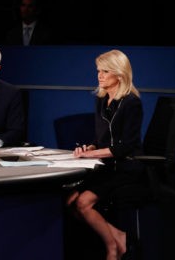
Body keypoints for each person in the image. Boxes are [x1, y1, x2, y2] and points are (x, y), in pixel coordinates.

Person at [66, 49, 143, 260]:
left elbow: (126, 146)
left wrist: (89, 156)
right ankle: (119, 237)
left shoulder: (131, 103)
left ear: (119, 74)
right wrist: (90, 147)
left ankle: (112, 248)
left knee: (83, 203)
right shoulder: (101, 100)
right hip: (106, 166)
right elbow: (102, 139)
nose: (100, 75)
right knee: (70, 200)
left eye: (105, 71)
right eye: (98, 70)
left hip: (125, 167)